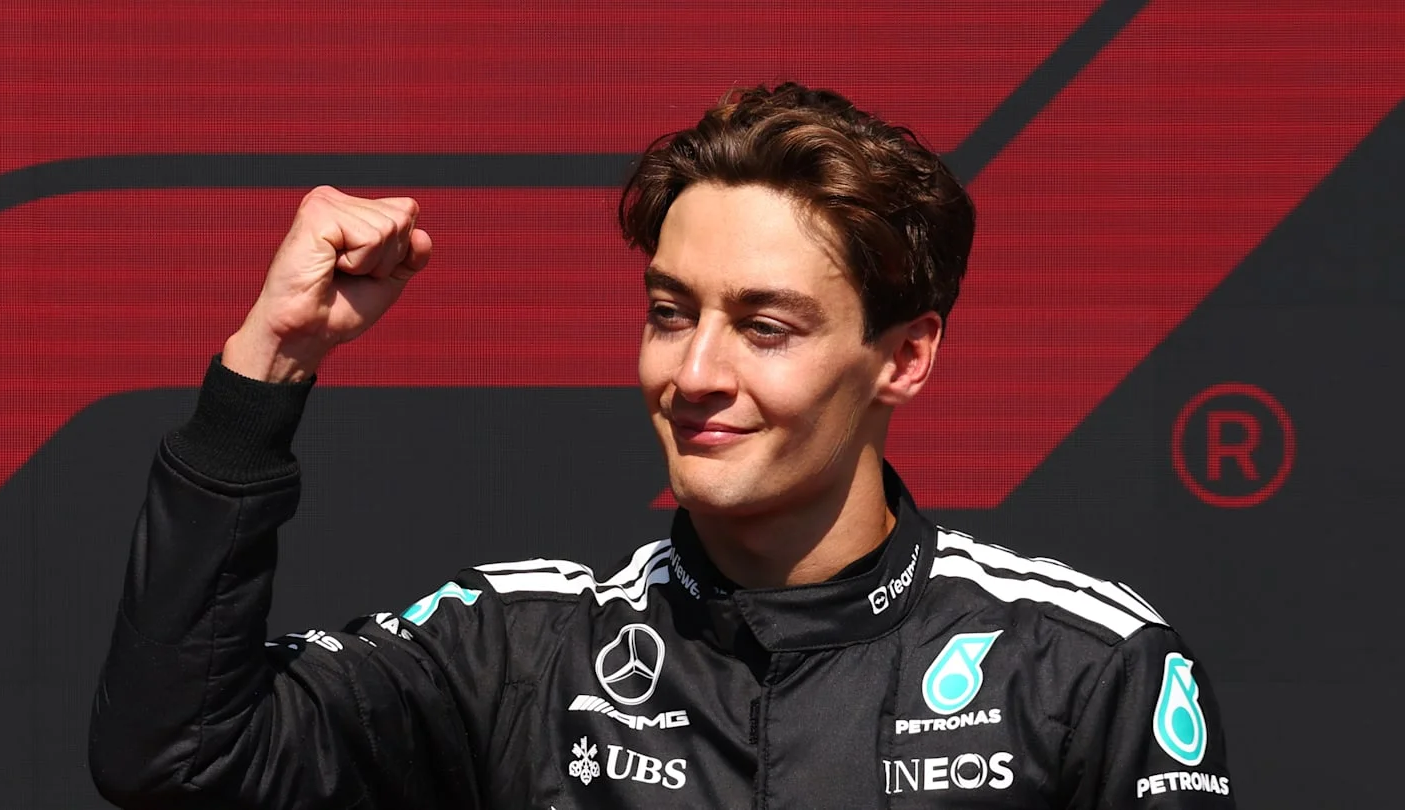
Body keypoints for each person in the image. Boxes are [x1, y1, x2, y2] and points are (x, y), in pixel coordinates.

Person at [89, 83, 1234, 809]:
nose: (695, 374)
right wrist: (270, 361)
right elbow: (179, 757)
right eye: (672, 314)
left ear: (906, 357)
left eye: (766, 327)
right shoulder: (524, 652)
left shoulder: (1082, 670)